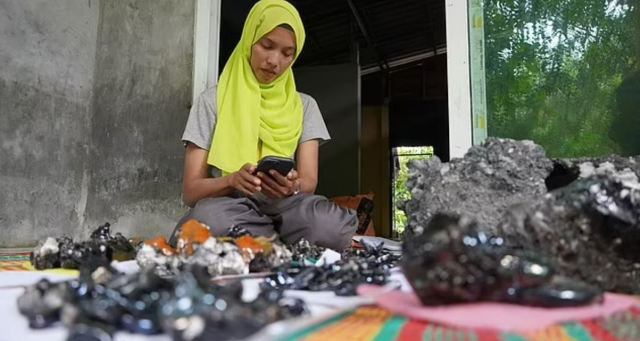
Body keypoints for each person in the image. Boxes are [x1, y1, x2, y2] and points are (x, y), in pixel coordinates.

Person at [168, 0, 358, 251]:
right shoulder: (212, 101)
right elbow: (192, 191)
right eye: (266, 46)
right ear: (249, 41)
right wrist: (232, 181)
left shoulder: (305, 105)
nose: (274, 61)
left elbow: (309, 181)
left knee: (329, 226)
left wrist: (293, 186)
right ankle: (280, 245)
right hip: (229, 205)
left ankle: (257, 243)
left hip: (285, 206)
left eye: (287, 53)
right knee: (209, 220)